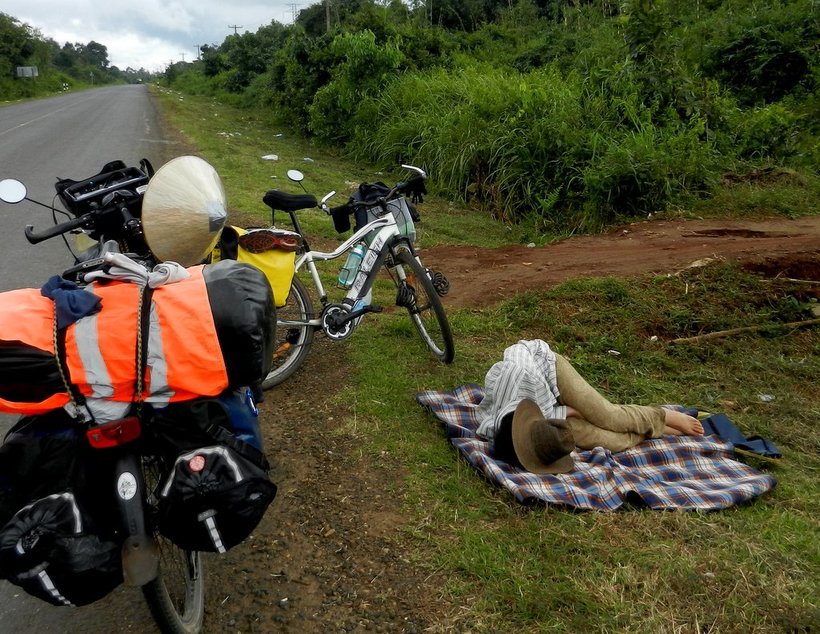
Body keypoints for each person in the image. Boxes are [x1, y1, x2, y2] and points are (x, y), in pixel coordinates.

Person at [476, 339, 704, 473]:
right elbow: (548, 420)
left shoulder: (520, 376)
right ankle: (655, 430)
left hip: (550, 371)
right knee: (608, 441)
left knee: (608, 416)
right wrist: (559, 416)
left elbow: (522, 352)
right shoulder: (494, 429)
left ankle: (661, 415)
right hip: (548, 417)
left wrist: (565, 410)